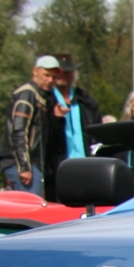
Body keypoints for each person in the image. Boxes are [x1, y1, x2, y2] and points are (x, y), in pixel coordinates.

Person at [44, 54, 102, 202]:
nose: (63, 75)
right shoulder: (47, 101)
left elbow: (98, 133)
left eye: (67, 72)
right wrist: (55, 119)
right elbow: (44, 136)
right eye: (60, 72)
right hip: (59, 168)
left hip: (86, 166)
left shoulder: (85, 101)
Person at [0, 55, 56, 194]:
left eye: (53, 77)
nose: (50, 80)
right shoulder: (27, 94)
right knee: (32, 211)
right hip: (24, 164)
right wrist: (23, 167)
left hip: (32, 163)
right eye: (46, 75)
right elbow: (19, 131)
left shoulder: (41, 96)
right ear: (35, 71)